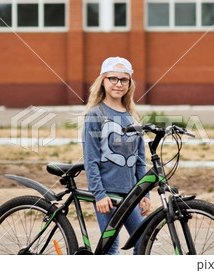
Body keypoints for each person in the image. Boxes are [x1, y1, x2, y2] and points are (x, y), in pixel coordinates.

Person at [82, 56, 150, 255]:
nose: (118, 84)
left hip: (130, 194)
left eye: (124, 80)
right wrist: (99, 195)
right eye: (113, 78)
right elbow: (91, 160)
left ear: (130, 84)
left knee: (143, 240)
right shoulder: (95, 114)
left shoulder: (132, 116)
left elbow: (139, 161)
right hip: (107, 194)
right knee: (110, 248)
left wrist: (144, 193)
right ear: (103, 80)